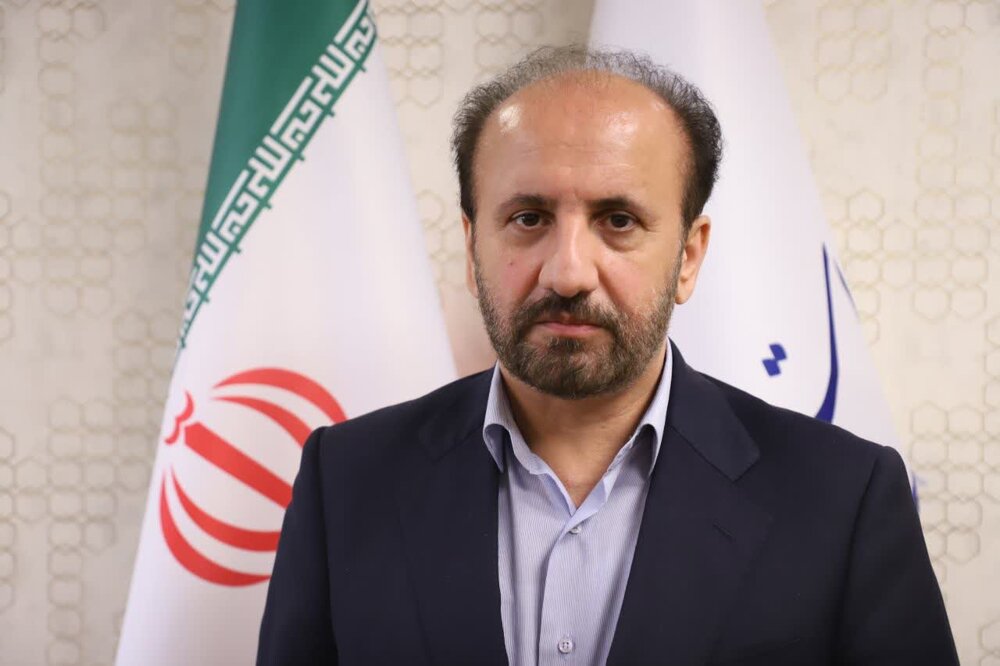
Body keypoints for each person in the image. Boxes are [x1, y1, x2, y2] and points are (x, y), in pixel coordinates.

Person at [257, 46, 957, 666]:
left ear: (688, 256)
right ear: (471, 248)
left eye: (618, 221)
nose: (568, 273)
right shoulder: (344, 482)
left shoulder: (844, 498)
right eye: (528, 218)